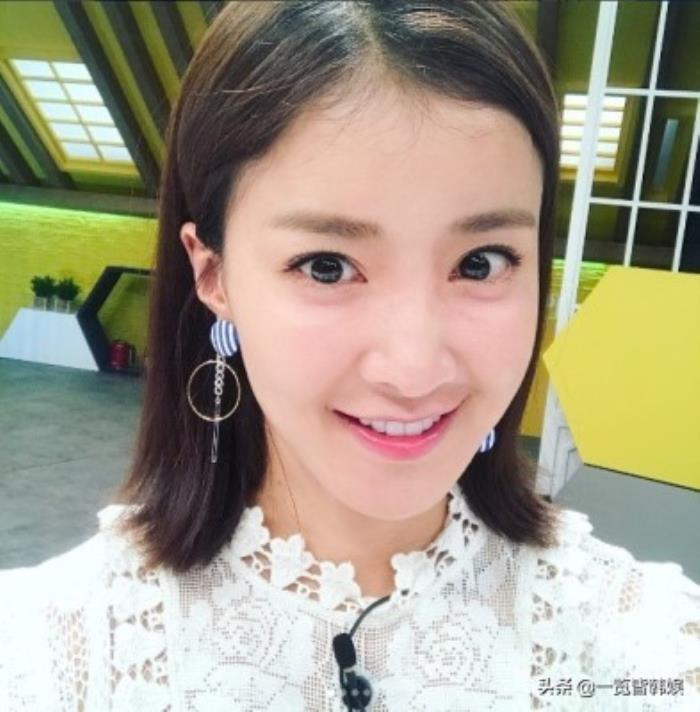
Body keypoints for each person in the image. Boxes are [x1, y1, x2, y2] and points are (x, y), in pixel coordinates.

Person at [1, 1, 698, 710]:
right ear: (213, 275)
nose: (414, 369)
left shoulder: (648, 647)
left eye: (482, 263)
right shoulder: (54, 658)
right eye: (327, 266)